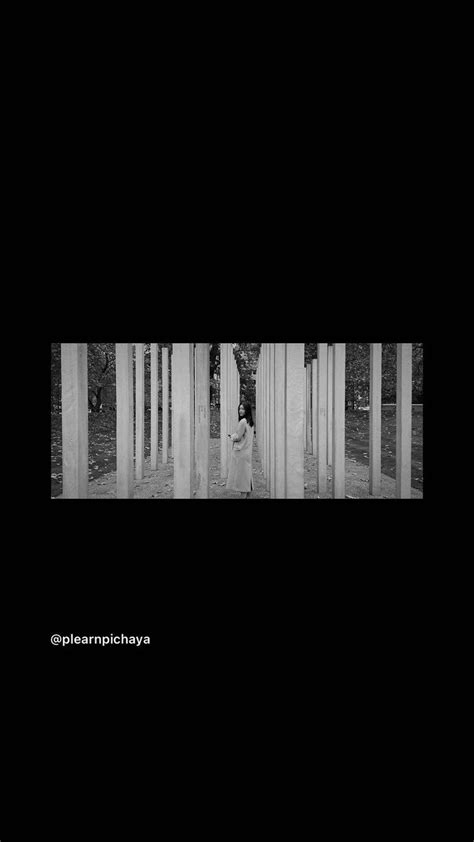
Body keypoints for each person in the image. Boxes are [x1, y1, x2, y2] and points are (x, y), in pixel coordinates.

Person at [226, 402, 255, 498]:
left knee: (242, 480)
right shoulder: (250, 422)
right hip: (247, 452)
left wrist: (231, 437)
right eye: (239, 408)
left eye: (243, 409)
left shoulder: (242, 421)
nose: (240, 411)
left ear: (247, 410)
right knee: (247, 479)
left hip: (241, 453)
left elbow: (238, 437)